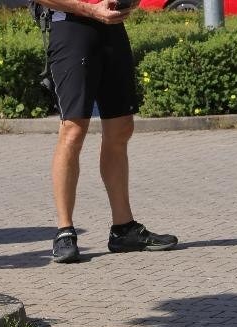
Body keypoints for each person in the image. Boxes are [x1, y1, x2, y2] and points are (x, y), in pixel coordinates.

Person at [33, 0, 177, 264]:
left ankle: (123, 229)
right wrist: (90, 9)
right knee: (73, 130)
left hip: (112, 27)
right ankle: (64, 231)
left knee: (121, 127)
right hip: (71, 26)